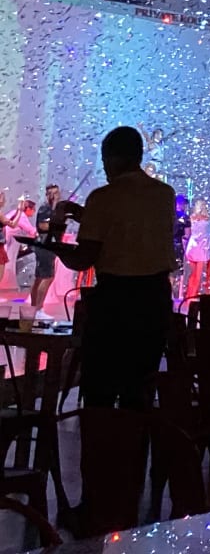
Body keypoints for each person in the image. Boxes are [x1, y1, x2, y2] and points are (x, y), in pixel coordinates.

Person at [51, 127, 175, 412]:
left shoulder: (103, 197)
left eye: (105, 160)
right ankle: (136, 439)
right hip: (155, 299)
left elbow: (84, 258)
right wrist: (85, 215)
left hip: (115, 301)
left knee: (101, 387)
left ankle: (100, 438)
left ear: (115, 158)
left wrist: (55, 247)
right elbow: (131, 225)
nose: (105, 167)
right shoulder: (164, 194)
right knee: (140, 385)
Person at [29, 184, 63, 310]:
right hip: (45, 245)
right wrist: (57, 225)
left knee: (39, 278)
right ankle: (39, 308)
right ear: (47, 195)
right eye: (51, 193)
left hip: (48, 245)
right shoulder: (45, 209)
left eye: (56, 193)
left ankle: (34, 308)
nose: (55, 196)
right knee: (47, 277)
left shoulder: (55, 209)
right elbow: (43, 226)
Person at [184, 200, 210, 298]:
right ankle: (195, 296)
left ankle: (189, 296)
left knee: (192, 275)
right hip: (202, 249)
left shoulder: (192, 218)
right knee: (199, 276)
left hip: (192, 247)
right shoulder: (208, 220)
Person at [172, 194, 191, 302]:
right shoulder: (185, 217)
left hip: (168, 246)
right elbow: (187, 235)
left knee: (169, 271)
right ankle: (176, 296)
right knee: (178, 272)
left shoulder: (169, 215)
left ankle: (169, 293)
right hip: (178, 246)